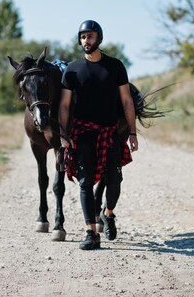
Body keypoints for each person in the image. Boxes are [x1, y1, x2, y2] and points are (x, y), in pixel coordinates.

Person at [59, 20, 138, 250]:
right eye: (83, 37)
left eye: (90, 36)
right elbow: (64, 106)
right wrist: (64, 134)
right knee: (85, 182)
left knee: (114, 180)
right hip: (82, 132)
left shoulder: (115, 66)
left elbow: (126, 100)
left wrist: (132, 132)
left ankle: (108, 212)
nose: (86, 41)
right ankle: (91, 233)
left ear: (99, 38)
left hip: (109, 132)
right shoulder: (72, 70)